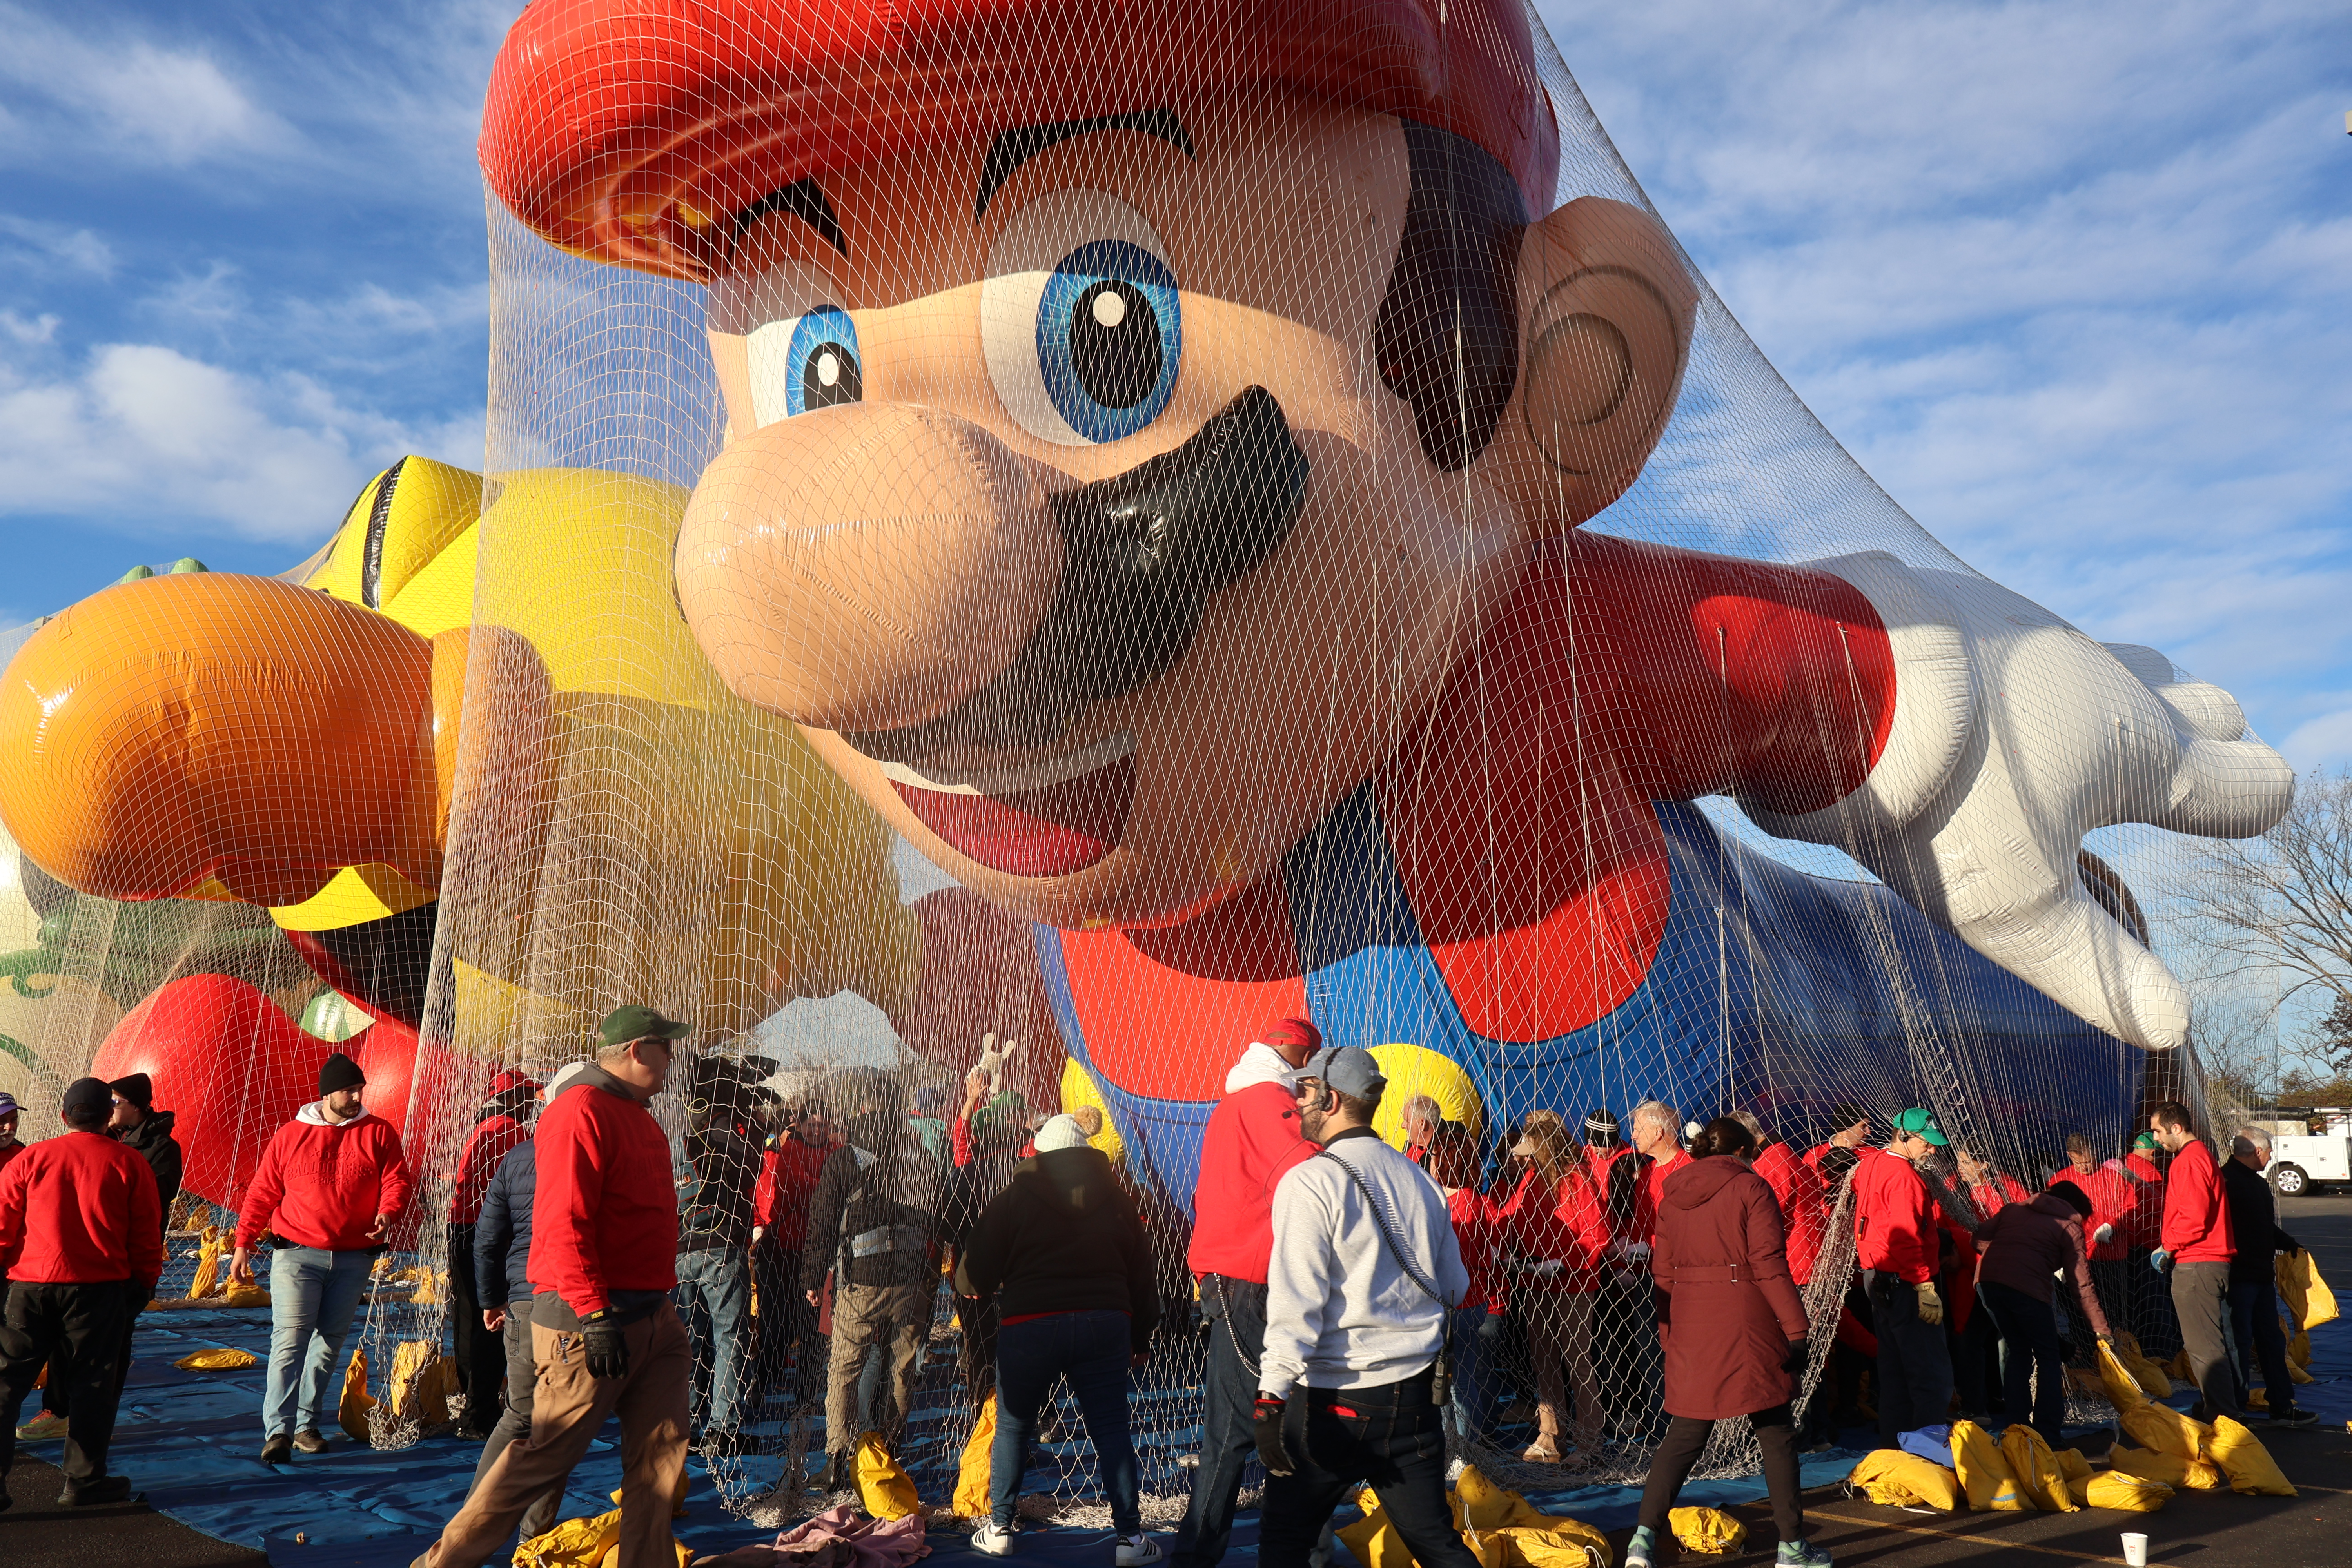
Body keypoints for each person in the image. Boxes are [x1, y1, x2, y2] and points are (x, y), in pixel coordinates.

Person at [409, 1004, 693, 1568]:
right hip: (589, 1321)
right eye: (667, 1048)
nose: (671, 1061)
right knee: (540, 1458)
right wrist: (594, 1315)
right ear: (639, 1050)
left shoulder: (639, 1114)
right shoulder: (580, 1111)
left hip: (654, 1315)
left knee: (660, 1462)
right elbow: (564, 1222)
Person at [1253, 1046, 1472, 1568]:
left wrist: (1271, 1396)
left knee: (1285, 1540)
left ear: (1330, 1099)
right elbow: (1456, 1288)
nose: (1297, 1102)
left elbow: (1296, 1302)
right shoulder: (1422, 1182)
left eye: (1304, 1092)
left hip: (1334, 1398)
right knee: (1436, 1544)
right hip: (1415, 1399)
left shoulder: (1311, 1182)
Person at [1623, 1116, 1826, 1568]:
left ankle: (1641, 1540)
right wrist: (1797, 1329)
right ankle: (1792, 1548)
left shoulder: (1671, 1195)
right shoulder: (1751, 1189)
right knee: (1775, 1432)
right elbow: (1770, 1264)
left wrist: (1667, 1329)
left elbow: (1664, 1272)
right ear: (1741, 1152)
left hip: (1691, 1318)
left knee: (1685, 1435)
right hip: (1745, 1318)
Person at [958, 1114, 1161, 1563]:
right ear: (1087, 1153)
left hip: (1029, 1324)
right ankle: (1129, 1539)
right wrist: (1142, 1335)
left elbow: (974, 1272)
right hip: (1104, 1323)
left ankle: (999, 1528)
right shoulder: (1120, 1200)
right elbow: (1143, 1277)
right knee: (1110, 1429)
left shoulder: (1013, 1198)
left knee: (1014, 1425)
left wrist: (972, 1283)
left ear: (1039, 1152)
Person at [1171, 1016, 1325, 1568]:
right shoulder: (1266, 1100)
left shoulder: (1232, 1104)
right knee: (1259, 1427)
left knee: (1235, 1429)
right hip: (1255, 1284)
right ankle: (1256, 1550)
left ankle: (1238, 1547)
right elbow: (1307, 1171)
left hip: (1228, 1281)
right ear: (1297, 1055)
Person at [234, 1050, 412, 1464]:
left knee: (329, 1343)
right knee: (290, 1340)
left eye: (359, 1089)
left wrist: (389, 1212)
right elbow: (263, 1191)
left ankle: (305, 1424)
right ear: (327, 1093)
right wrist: (244, 1242)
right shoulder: (291, 1135)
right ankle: (277, 1431)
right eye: (348, 1089)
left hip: (353, 1258)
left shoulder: (379, 1132)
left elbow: (397, 1179)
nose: (355, 1095)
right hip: (298, 1253)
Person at [0, 1077, 163, 1507]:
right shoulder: (129, 1163)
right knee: (93, 1386)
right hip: (97, 1291)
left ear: (63, 1115)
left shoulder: (30, 1158)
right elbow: (146, 1236)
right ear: (108, 1115)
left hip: (31, 1286)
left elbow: (2, 1225)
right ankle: (83, 1480)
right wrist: (144, 1283)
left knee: (7, 1383)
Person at [800, 1067, 945, 1490]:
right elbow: (939, 1211)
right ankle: (888, 1449)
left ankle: (836, 1459)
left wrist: (813, 1277)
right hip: (912, 1279)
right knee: (902, 1368)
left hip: (862, 1282)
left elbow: (823, 1222)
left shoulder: (846, 1157)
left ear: (862, 1106)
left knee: (843, 1369)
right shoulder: (918, 1151)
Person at [23, 1071, 186, 1444]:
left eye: (118, 1102)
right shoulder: (101, 1144)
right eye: (108, 1103)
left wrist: (144, 1277)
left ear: (138, 1106)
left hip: (124, 1264)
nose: (111, 1109)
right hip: (78, 1262)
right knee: (61, 1340)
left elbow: (150, 1210)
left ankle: (95, 1427)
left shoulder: (159, 1151)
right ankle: (59, 1410)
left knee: (112, 1346)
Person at [465, 1065, 586, 1546]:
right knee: (554, 1422)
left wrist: (492, 1298)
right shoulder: (589, 1154)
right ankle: (533, 1533)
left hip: (520, 1300)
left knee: (519, 1414)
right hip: (566, 1300)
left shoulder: (518, 1156)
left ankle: (475, 1519)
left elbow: (487, 1239)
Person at [1492, 1112, 1605, 1465]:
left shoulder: (1577, 1179)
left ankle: (1590, 1443)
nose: (1523, 1158)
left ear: (1547, 1148)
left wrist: (1562, 1262)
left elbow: (1596, 1236)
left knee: (1577, 1361)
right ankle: (1549, 1436)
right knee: (1544, 1362)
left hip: (1573, 1285)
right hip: (1535, 1283)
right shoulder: (1531, 1179)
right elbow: (1510, 1219)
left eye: (1530, 1151)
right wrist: (1498, 1244)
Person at [1974, 1179, 2107, 1448]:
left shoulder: (2013, 1209)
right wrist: (2101, 1329)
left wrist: (2007, 1254)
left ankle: (2016, 1428)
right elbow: (2080, 1284)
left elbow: (1977, 1238)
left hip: (1987, 1284)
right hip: (2028, 1288)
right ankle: (2048, 1434)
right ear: (2077, 1209)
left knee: (2018, 1350)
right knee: (2049, 1357)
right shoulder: (2069, 1227)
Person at [673, 1060, 762, 1451]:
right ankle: (724, 1428)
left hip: (680, 1251)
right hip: (723, 1247)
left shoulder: (680, 1141)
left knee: (689, 1339)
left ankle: (688, 1421)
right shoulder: (735, 1139)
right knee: (730, 1337)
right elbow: (755, 1167)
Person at [448, 1072, 538, 1440]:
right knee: (493, 1322)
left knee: (468, 1322)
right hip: (486, 1232)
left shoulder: (483, 1125)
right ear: (517, 1100)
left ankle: (472, 1404)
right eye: (528, 1098)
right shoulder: (509, 1132)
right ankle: (481, 1413)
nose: (533, 1106)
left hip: (462, 1229)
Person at [1853, 1107, 1949, 1442]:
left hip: (1877, 1276)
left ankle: (1896, 1449)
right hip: (1905, 1280)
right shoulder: (1904, 1176)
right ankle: (1928, 1451)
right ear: (1906, 1137)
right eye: (1927, 1143)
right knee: (1930, 1373)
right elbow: (1906, 1236)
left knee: (1894, 1371)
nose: (1933, 1149)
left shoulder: (1871, 1164)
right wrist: (1924, 1283)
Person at [2147, 1100, 2241, 1422]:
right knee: (2209, 1342)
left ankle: (2223, 1416)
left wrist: (2168, 1246)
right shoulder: (2201, 1157)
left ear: (2177, 1128)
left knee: (2203, 1347)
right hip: (2207, 1260)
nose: (2156, 1139)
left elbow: (2194, 1217)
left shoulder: (2188, 1161)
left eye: (2158, 1131)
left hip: (2198, 1262)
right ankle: (2216, 1406)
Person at [2220, 1128, 2316, 1425]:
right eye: (2270, 1151)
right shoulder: (2227, 1182)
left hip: (2259, 1275)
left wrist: (2288, 1243)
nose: (2271, 1157)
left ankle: (2281, 1404)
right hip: (2239, 1277)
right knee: (2239, 1340)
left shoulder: (2251, 1183)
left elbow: (2262, 1228)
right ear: (2257, 1152)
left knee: (2271, 1341)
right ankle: (2235, 1409)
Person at [750, 1097, 835, 1414]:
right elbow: (790, 1188)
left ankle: (806, 1396)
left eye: (822, 1125)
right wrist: (825, 1188)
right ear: (799, 1126)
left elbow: (844, 1186)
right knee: (780, 1327)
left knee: (817, 1328)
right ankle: (761, 1382)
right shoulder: (787, 1152)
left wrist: (819, 1190)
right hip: (784, 1252)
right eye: (811, 1125)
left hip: (822, 1253)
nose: (817, 1131)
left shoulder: (837, 1152)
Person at [1421, 1123, 1500, 1441]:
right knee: (1444, 1379)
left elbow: (1465, 1260)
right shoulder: (1440, 1199)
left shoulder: (1466, 1204)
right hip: (1452, 1301)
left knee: (1461, 1380)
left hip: (1462, 1303)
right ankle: (1451, 1443)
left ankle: (1466, 1447)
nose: (1430, 1161)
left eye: (1436, 1155)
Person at [2049, 1133, 2136, 1338]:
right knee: (2079, 1314)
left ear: (2095, 1152)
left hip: (2111, 1258)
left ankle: (2118, 1354)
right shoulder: (2060, 1181)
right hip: (2076, 1259)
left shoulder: (2114, 1178)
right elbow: (2050, 1221)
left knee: (2114, 1312)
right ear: (2070, 1156)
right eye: (2081, 1163)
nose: (2087, 1166)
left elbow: (2132, 1209)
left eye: (2090, 1160)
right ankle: (2089, 1361)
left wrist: (2114, 1226)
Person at [1736, 1112, 1829, 1289]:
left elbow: (1766, 1215)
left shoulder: (1772, 1163)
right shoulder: (1782, 1153)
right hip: (1810, 1258)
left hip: (1798, 1265)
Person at [1400, 1095, 1444, 1164]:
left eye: (1407, 1121)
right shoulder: (1412, 1146)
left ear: (1422, 1124)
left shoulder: (1443, 1155)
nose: (1403, 1126)